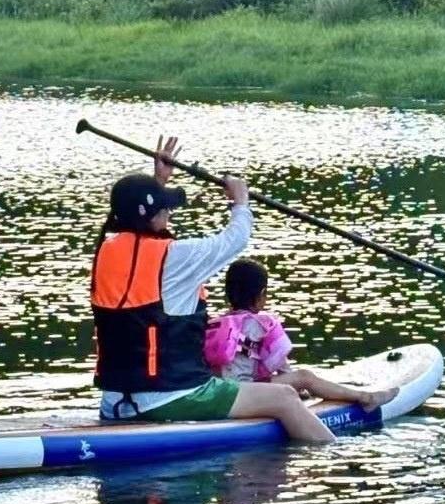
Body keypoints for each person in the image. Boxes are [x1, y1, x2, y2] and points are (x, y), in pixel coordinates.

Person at [90, 134, 337, 444]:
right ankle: (333, 454)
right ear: (150, 216)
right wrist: (240, 202)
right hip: (171, 396)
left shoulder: (105, 251)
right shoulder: (176, 257)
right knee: (285, 396)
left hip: (115, 404)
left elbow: (141, 236)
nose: (170, 213)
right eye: (165, 209)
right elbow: (235, 239)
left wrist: (157, 183)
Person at [205, 259, 397, 411]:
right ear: (262, 294)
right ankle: (366, 398)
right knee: (305, 376)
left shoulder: (214, 324)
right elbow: (284, 370)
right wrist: (300, 387)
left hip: (217, 392)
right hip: (243, 392)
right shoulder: (264, 324)